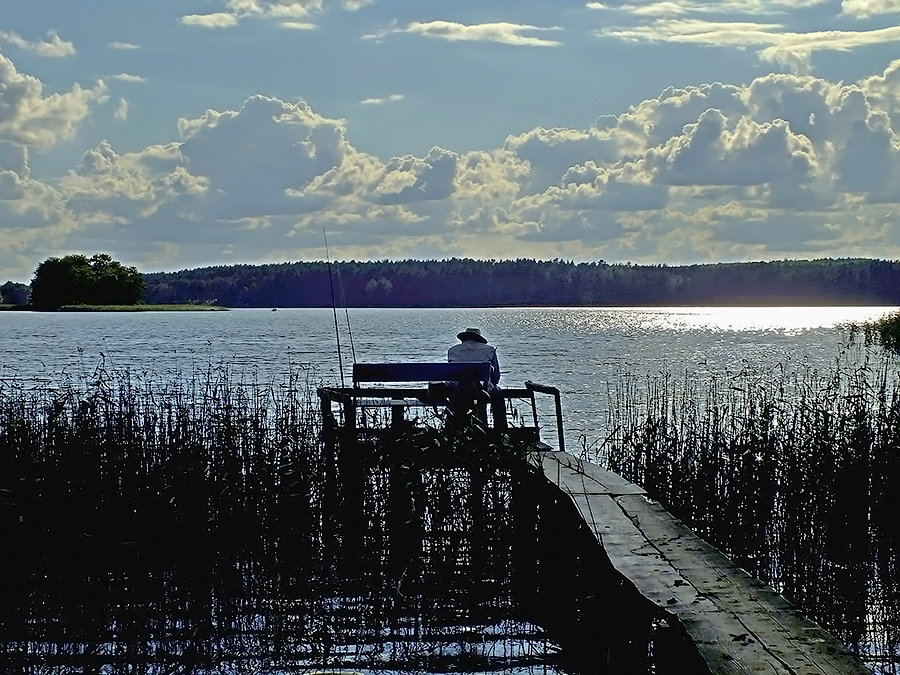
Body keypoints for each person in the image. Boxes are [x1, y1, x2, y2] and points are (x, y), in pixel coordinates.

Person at [447, 327, 506, 428]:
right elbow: (495, 375)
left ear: (464, 338)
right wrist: (493, 384)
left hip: (458, 389)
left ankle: (455, 428)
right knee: (498, 395)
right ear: (479, 339)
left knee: (460, 397)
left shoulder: (452, 350)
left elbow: (451, 374)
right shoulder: (489, 350)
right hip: (482, 389)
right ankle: (500, 429)